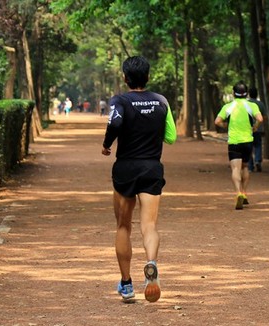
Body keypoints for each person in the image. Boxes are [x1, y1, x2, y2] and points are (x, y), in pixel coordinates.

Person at [101, 56, 177, 303]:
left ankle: (126, 284)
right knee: (150, 226)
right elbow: (171, 137)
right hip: (152, 167)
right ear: (148, 76)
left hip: (125, 168)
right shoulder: (161, 101)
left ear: (125, 77)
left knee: (124, 226)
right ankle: (151, 264)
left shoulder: (119, 101)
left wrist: (106, 145)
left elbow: (116, 123)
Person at [214, 81, 263, 210]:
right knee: (246, 166)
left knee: (235, 168)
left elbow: (217, 121)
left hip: (234, 141)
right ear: (246, 93)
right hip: (248, 140)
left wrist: (226, 126)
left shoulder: (228, 107)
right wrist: (255, 128)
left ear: (233, 93)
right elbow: (260, 119)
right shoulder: (251, 105)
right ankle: (245, 193)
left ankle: (238, 193)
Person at [247, 87, 267, 172]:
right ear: (257, 94)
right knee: (258, 145)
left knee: (248, 148)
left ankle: (250, 167)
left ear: (249, 94)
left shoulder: (245, 104)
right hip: (258, 129)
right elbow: (265, 117)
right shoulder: (260, 104)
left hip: (247, 129)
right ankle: (257, 160)